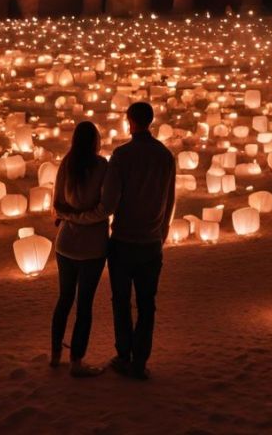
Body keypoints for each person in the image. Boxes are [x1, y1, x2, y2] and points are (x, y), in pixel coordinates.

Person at [59, 101, 176, 380]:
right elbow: (170, 199)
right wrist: (161, 233)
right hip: (150, 242)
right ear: (150, 121)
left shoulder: (121, 156)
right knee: (147, 304)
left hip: (123, 240)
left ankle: (124, 355)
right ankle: (140, 361)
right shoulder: (166, 156)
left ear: (129, 122)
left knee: (121, 301)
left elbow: (110, 202)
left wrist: (78, 216)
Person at [51, 121, 109, 378]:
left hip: (65, 244)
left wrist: (72, 216)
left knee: (64, 300)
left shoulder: (67, 162)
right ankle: (76, 361)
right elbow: (104, 209)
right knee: (83, 304)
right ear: (96, 141)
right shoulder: (102, 166)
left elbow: (58, 205)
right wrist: (85, 217)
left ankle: (55, 356)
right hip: (92, 248)